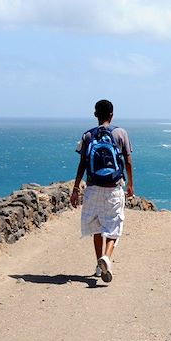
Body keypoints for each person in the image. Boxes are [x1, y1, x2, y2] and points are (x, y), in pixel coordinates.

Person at [70, 99, 134, 283]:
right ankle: (106, 257)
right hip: (113, 188)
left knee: (96, 226)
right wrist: (130, 183)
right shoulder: (121, 133)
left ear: (95, 114)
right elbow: (128, 161)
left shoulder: (88, 136)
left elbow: (82, 164)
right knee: (114, 227)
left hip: (92, 188)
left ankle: (99, 266)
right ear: (112, 114)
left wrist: (75, 189)